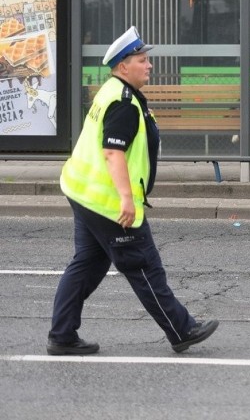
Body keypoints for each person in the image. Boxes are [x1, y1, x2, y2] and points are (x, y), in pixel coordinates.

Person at [47, 26, 218, 355]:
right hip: (107, 201)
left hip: (84, 191)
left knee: (86, 264)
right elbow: (113, 152)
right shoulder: (123, 102)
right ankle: (181, 329)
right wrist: (126, 199)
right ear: (123, 66)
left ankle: (62, 334)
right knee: (143, 265)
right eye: (142, 60)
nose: (149, 65)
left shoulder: (113, 90)